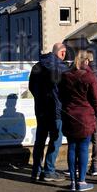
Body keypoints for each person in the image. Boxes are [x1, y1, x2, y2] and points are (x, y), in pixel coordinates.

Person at [60, 50, 97, 191]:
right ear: (86, 61)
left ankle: (73, 181)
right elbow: (96, 99)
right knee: (84, 148)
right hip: (85, 115)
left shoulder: (65, 75)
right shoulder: (89, 77)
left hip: (70, 115)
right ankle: (82, 182)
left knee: (72, 147)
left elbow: (61, 95)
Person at [28, 42, 69, 182]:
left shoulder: (37, 66)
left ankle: (36, 171)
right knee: (55, 140)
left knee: (39, 140)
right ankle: (49, 170)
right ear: (62, 53)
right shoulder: (62, 69)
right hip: (56, 110)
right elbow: (66, 91)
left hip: (40, 109)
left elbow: (32, 88)